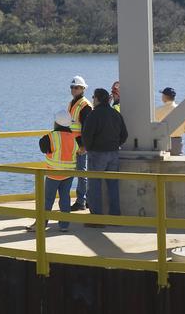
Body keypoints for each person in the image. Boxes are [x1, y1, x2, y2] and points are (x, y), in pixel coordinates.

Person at [81, 87, 128, 216]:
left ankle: (97, 218)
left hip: (97, 154)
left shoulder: (94, 114)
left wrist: (89, 147)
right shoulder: (115, 114)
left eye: (93, 97)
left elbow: (86, 135)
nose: (93, 100)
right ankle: (115, 215)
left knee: (95, 186)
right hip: (113, 154)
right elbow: (124, 134)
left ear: (97, 99)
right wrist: (116, 145)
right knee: (113, 185)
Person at [39, 113, 79, 230]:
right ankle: (64, 225)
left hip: (54, 173)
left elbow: (43, 147)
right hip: (68, 174)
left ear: (56, 123)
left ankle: (42, 223)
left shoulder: (51, 137)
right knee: (65, 197)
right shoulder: (73, 137)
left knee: (48, 200)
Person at [67, 76, 94, 211]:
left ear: (83, 89)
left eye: (76, 87)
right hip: (72, 144)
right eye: (72, 87)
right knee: (79, 172)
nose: (73, 89)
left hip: (80, 145)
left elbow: (87, 127)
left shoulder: (85, 105)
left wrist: (83, 145)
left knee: (81, 173)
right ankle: (85, 199)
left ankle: (81, 201)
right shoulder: (73, 103)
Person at [155, 87, 185, 156]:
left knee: (161, 165)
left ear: (164, 97)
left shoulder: (157, 110)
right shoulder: (182, 110)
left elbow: (153, 128)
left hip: (162, 142)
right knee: (177, 164)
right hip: (177, 142)